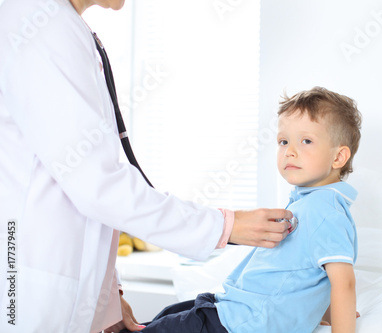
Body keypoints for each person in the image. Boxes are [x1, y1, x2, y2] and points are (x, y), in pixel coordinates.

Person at [0, 0, 292, 332]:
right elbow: (100, 186)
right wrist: (226, 226)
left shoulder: (60, 26)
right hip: (26, 283)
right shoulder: (41, 27)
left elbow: (82, 189)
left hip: (46, 277)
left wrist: (108, 296)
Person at [123, 86, 362, 333]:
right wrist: (320, 312)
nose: (289, 150)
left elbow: (343, 283)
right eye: (283, 141)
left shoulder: (325, 211)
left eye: (306, 141)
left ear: (338, 157)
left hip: (241, 323)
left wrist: (341, 321)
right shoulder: (308, 203)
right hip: (231, 311)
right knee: (162, 319)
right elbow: (309, 276)